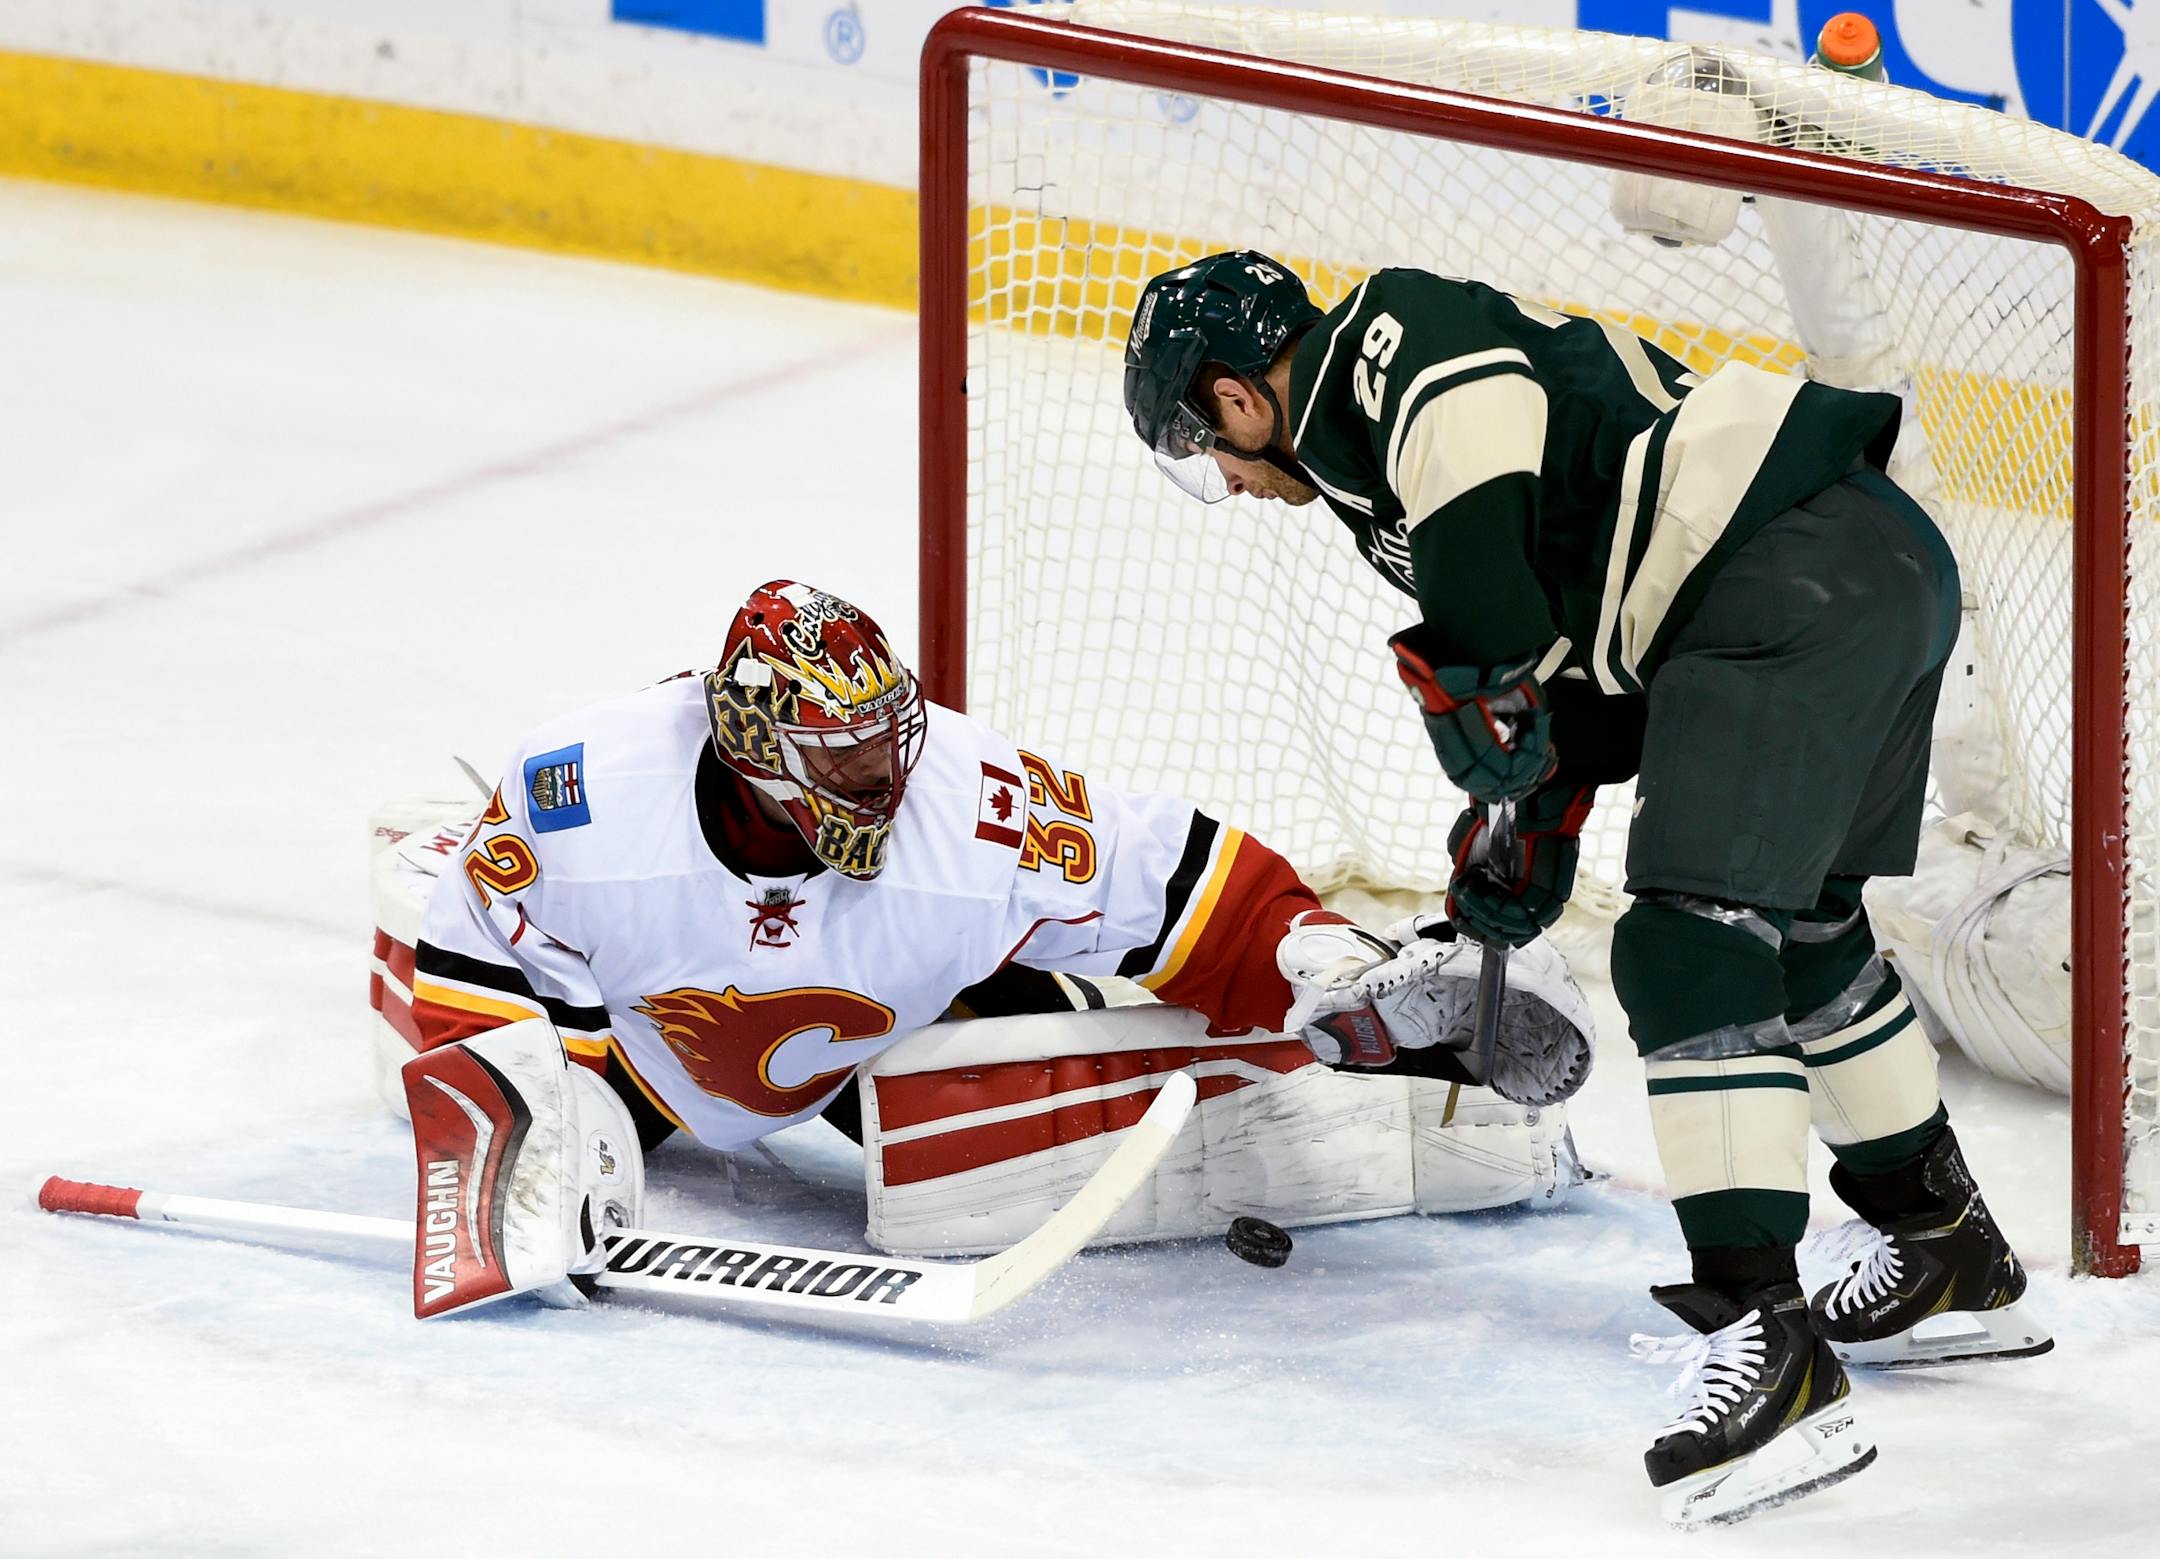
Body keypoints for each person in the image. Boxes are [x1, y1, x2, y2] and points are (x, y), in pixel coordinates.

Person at [1122, 252, 2051, 1526]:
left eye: (1203, 446)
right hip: (1861, 568)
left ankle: (1766, 1346)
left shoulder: (1383, 342)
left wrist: (1482, 672)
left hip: (1781, 577)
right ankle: (1945, 1243)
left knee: (1686, 945)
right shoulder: (1374, 478)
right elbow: (1571, 655)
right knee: (1807, 932)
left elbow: (1474, 422)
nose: (1225, 479)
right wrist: (1530, 812)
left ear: (1236, 399)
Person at [396, 577, 1593, 1317]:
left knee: (954, 1152)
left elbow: (1172, 878)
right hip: (636, 1038)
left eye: (891, 742)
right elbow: (472, 957)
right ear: (757, 747)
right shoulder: (585, 791)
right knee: (434, 995)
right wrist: (535, 1137)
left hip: (883, 1028)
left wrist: (1310, 950)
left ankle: (1352, 1053)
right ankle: (423, 860)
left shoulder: (968, 800)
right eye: (847, 759)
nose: (887, 777)